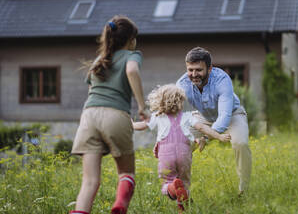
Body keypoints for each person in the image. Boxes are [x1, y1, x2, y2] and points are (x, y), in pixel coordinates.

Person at [70, 15, 149, 214]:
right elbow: (132, 71)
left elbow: (91, 90)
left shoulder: (100, 60)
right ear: (131, 40)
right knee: (126, 173)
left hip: (88, 117)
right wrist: (141, 106)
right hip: (115, 115)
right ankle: (120, 205)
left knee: (89, 182)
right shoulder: (132, 55)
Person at [133, 84, 230, 211]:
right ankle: (183, 207)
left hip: (166, 154)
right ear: (180, 101)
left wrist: (131, 124)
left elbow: (142, 125)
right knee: (184, 183)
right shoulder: (188, 116)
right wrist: (219, 136)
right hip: (184, 153)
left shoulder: (158, 116)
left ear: (160, 101)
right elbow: (203, 128)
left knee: (167, 182)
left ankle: (173, 187)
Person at [176, 47, 252, 195]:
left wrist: (205, 137)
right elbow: (174, 112)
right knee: (181, 145)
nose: (194, 74)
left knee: (241, 143)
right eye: (190, 70)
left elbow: (224, 116)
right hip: (202, 117)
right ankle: (183, 191)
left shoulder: (222, 80)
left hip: (232, 115)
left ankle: (244, 189)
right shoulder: (182, 84)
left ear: (210, 68)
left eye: (198, 70)